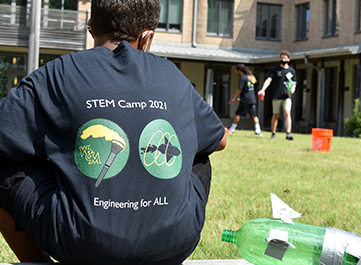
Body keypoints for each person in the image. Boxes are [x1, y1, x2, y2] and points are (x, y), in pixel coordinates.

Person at [0, 0, 226, 264]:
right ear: (146, 37)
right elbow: (219, 139)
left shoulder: (57, 73)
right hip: (175, 244)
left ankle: (36, 262)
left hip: (81, 244)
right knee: (200, 155)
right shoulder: (172, 75)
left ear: (90, 27)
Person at [258, 50, 297, 140]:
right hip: (276, 96)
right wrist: (263, 89)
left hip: (287, 96)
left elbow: (294, 83)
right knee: (275, 115)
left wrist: (293, 89)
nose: (283, 59)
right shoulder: (275, 69)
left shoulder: (291, 71)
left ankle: (288, 134)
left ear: (288, 59)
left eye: (285, 58)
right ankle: (273, 133)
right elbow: (268, 80)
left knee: (287, 113)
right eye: (282, 58)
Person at [226, 64, 262, 136]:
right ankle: (258, 131)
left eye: (236, 71)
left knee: (238, 113)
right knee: (254, 115)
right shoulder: (250, 77)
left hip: (246, 100)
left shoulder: (242, 78)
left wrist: (234, 98)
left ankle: (232, 129)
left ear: (239, 71)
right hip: (252, 100)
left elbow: (240, 89)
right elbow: (248, 90)